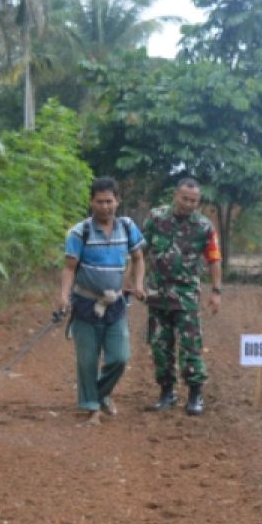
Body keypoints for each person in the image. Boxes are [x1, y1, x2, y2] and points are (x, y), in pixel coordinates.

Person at [57, 177, 146, 425]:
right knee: (87, 359)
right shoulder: (79, 232)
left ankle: (101, 394)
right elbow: (69, 268)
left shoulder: (127, 228)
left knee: (120, 357)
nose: (105, 207)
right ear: (91, 202)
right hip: (86, 303)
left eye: (109, 201)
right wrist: (64, 297)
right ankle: (92, 408)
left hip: (115, 303)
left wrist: (137, 284)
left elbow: (138, 258)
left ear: (118, 201)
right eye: (99, 201)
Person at [140, 177, 223, 416]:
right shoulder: (156, 218)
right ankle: (167, 392)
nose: (189, 204)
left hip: (186, 295)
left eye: (194, 201)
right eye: (185, 199)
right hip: (157, 293)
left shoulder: (204, 227)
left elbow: (214, 259)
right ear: (176, 195)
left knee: (190, 346)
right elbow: (140, 252)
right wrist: (133, 282)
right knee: (159, 345)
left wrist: (216, 292)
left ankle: (195, 394)